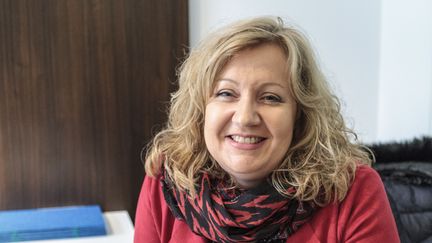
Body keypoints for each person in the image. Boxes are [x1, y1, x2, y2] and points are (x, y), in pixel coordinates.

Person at [134, 17, 400, 243]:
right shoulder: (166, 181)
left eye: (271, 97)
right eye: (226, 93)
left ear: (300, 115)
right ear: (201, 110)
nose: (246, 117)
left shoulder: (351, 191)